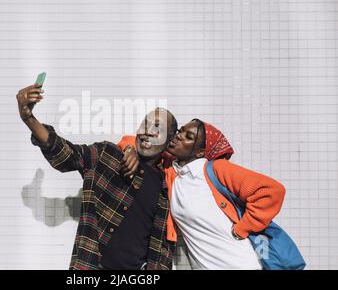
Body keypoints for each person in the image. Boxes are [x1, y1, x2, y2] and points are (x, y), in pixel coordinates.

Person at [16, 83, 178, 270]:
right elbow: (66, 153)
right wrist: (28, 118)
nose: (147, 131)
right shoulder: (107, 155)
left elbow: (160, 249)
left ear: (170, 139)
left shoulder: (168, 184)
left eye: (157, 127)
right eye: (145, 123)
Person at [118, 118, 286, 270]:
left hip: (239, 264)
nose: (179, 136)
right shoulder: (171, 170)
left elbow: (271, 191)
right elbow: (135, 141)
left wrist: (242, 229)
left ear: (200, 153)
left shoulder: (216, 169)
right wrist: (129, 149)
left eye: (188, 137)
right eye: (180, 131)